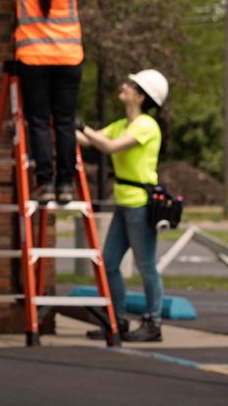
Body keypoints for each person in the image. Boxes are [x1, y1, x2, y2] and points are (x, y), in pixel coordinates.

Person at [10, 0, 96, 203]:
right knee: (64, 121)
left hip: (33, 63)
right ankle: (65, 186)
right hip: (68, 61)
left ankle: (44, 184)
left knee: (38, 122)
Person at [78, 69, 169, 343]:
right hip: (124, 204)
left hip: (141, 205)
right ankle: (116, 319)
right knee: (109, 264)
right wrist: (66, 125)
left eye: (130, 85)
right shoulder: (121, 124)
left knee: (146, 266)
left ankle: (153, 322)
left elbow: (110, 147)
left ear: (141, 97)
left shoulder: (145, 126)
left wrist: (81, 127)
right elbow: (89, 141)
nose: (123, 86)